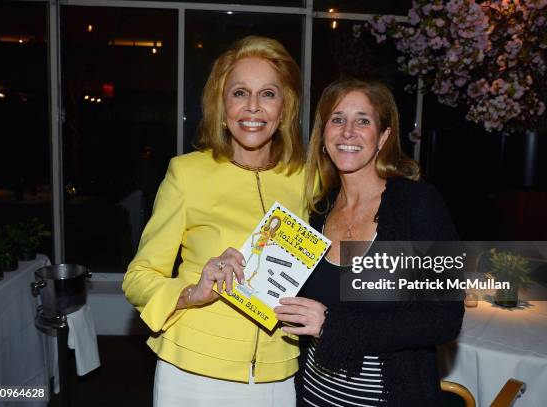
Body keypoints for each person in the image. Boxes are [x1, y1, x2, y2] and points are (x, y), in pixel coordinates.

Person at [122, 36, 306, 407]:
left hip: (277, 374)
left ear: (285, 108)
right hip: (193, 373)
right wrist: (193, 293)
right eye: (240, 93)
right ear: (222, 107)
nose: (253, 107)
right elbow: (138, 277)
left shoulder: (306, 179)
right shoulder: (187, 173)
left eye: (268, 94)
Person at [274, 78, 464, 406]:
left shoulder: (417, 204)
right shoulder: (317, 211)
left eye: (363, 120)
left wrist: (332, 325)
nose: (348, 131)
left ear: (383, 137)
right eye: (337, 119)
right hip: (312, 398)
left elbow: (443, 317)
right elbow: (296, 300)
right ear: (323, 136)